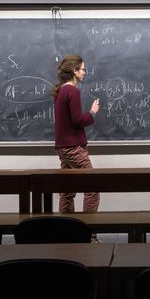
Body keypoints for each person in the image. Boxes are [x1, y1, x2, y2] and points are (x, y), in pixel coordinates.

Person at [51, 55, 100, 213]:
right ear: (75, 70)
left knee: (66, 190)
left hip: (63, 147)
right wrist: (92, 112)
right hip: (73, 147)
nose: (85, 72)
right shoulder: (72, 91)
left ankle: (68, 233)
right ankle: (90, 234)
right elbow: (77, 120)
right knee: (92, 187)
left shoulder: (61, 91)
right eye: (83, 69)